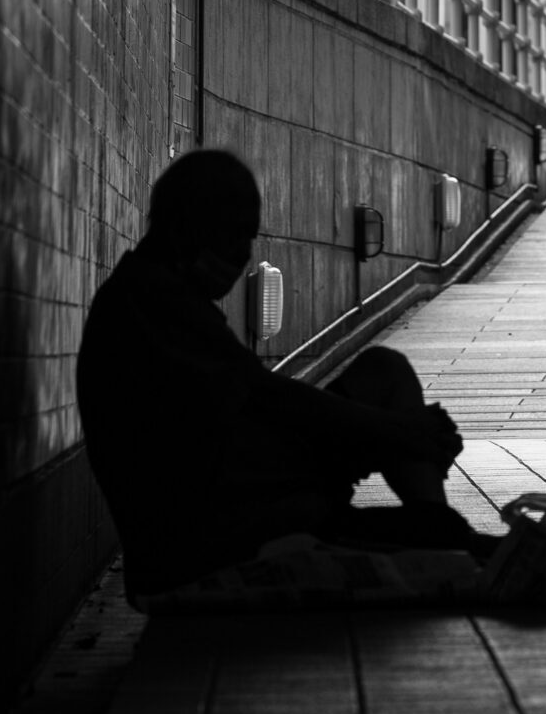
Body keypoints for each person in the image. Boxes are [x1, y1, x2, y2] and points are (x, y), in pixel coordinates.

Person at [77, 149, 487, 601]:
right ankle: (442, 537)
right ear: (188, 226)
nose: (243, 255)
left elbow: (265, 402)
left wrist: (393, 433)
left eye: (248, 237)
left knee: (385, 372)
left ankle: (440, 532)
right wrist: (399, 432)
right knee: (432, 528)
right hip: (228, 535)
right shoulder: (151, 303)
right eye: (234, 235)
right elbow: (271, 398)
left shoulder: (160, 295)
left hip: (259, 499)